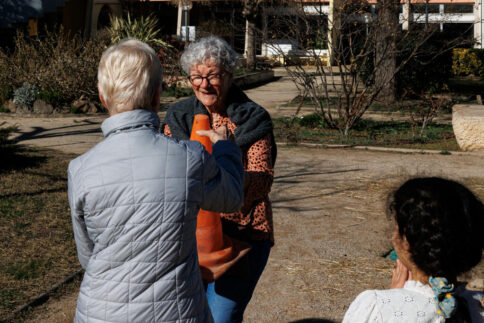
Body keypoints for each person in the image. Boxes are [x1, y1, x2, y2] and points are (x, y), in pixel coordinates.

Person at [68, 39, 245, 323]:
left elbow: (88, 255)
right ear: (156, 96)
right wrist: (225, 148)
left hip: (99, 313)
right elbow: (232, 197)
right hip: (177, 312)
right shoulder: (190, 158)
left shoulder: (79, 169)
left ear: (102, 97)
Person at [163, 36, 276, 323]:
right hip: (188, 240)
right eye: (197, 77)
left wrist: (212, 172)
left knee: (221, 317)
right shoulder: (178, 116)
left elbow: (259, 181)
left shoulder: (252, 118)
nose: (204, 84)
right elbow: (164, 170)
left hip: (242, 238)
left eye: (212, 76)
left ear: (229, 75)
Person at [343, 177, 484, 323]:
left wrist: (391, 301)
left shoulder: (375, 307)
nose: (393, 236)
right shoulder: (477, 306)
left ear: (407, 243)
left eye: (397, 227)